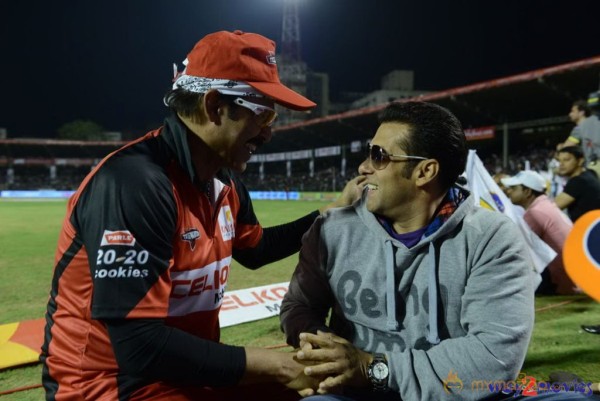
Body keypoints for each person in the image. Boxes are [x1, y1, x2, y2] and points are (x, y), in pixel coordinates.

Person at [39, 30, 362, 401]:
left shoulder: (224, 177)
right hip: (111, 385)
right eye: (265, 113)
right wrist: (279, 365)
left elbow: (255, 250)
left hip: (186, 374)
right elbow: (138, 346)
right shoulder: (136, 183)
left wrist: (331, 211)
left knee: (325, 390)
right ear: (214, 107)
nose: (270, 133)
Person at [279, 101, 553, 401]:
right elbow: (299, 306)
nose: (363, 167)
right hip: (353, 395)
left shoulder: (491, 238)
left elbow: (491, 358)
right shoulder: (331, 229)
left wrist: (372, 368)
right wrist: (324, 349)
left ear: (425, 171)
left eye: (379, 156)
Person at [501, 170, 577, 295]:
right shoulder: (545, 205)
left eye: (513, 188)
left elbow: (519, 250)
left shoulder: (535, 212)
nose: (509, 192)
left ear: (527, 192)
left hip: (561, 280)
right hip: (573, 275)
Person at [554, 146, 600, 223]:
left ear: (580, 161)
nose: (561, 164)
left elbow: (550, 209)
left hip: (587, 231)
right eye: (559, 161)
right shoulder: (589, 174)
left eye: (566, 160)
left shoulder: (578, 181)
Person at [558, 99, 600, 177]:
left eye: (573, 111)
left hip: (594, 168)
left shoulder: (580, 128)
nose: (570, 114)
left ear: (581, 112)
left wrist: (560, 146)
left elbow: (566, 149)